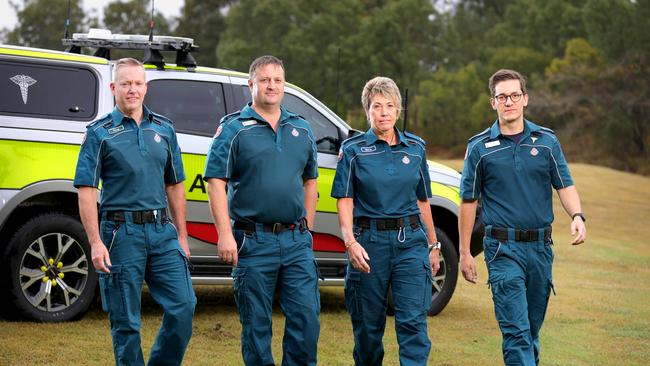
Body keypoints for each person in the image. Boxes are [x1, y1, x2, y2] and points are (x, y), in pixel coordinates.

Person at [459, 69, 587, 365]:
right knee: (516, 332)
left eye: (514, 95)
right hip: (502, 250)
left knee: (530, 331)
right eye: (502, 97)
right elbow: (468, 202)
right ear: (493, 103)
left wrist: (578, 215)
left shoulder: (546, 142)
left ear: (525, 99)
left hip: (541, 249)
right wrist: (465, 252)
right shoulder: (478, 148)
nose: (509, 102)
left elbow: (564, 184)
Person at [74, 58, 196, 366]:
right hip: (119, 233)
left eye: (138, 83)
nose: (132, 90)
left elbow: (175, 185)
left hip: (161, 231)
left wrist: (181, 235)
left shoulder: (164, 129)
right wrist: (95, 242)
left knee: (184, 306)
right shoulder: (99, 133)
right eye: (126, 84)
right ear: (114, 88)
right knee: (126, 322)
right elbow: (87, 191)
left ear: (146, 87)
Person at [204, 55, 320, 366]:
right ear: (251, 84)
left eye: (278, 80)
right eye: (265, 79)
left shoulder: (302, 128)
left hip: (296, 243)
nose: (272, 85)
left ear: (284, 85)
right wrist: (225, 235)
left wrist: (306, 226)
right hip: (253, 242)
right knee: (256, 327)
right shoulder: (233, 129)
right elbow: (215, 182)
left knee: (306, 321)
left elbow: (311, 180)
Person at [331, 76, 441, 365]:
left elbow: (422, 200)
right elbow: (345, 200)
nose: (384, 112)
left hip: (411, 245)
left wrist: (434, 245)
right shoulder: (353, 150)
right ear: (367, 110)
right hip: (369, 244)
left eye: (390, 106)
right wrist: (350, 242)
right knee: (368, 329)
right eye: (377, 106)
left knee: (413, 324)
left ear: (398, 110)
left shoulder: (416, 148)